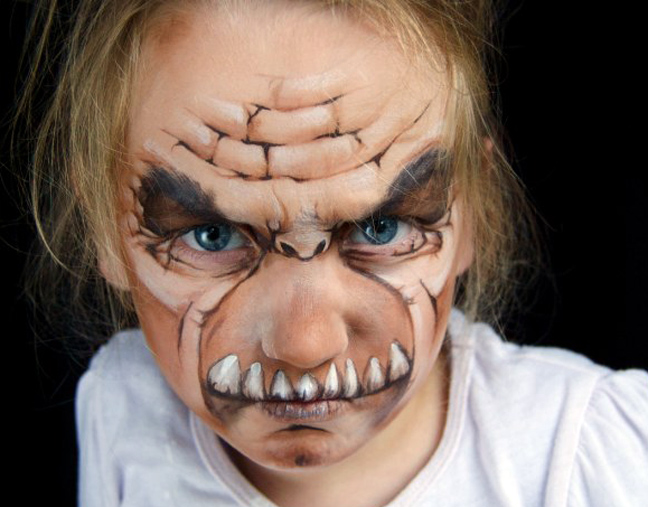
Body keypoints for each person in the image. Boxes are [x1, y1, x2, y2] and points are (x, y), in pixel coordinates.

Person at [19, 0, 648, 505]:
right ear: (104, 228)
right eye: (212, 236)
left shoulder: (589, 457)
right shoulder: (121, 411)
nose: (305, 344)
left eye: (381, 228)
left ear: (472, 211)